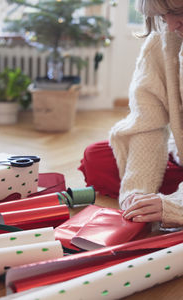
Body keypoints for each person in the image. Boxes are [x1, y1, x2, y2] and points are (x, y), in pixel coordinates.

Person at [79, 0, 183, 228]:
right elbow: (148, 124)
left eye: (178, 11)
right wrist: (136, 194)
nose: (173, 24)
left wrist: (176, 205)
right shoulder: (162, 40)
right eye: (164, 15)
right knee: (96, 157)